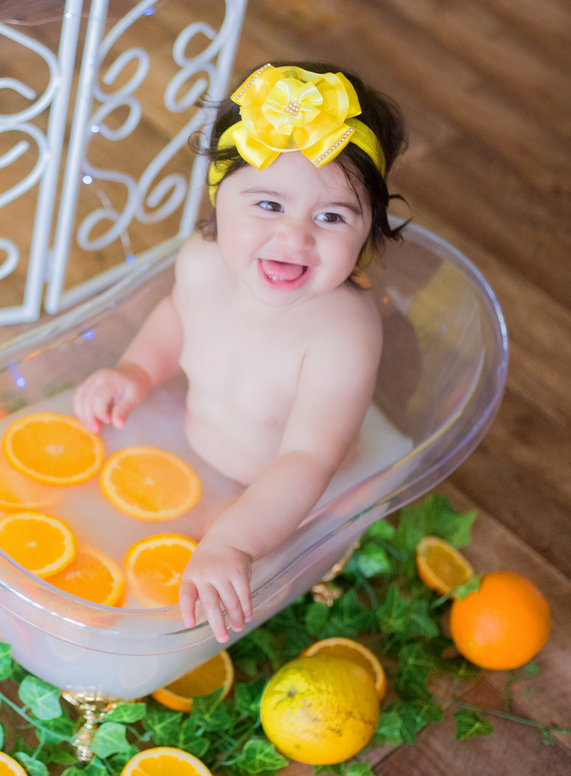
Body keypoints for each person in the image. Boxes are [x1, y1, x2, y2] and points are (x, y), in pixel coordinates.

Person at [72, 62, 408, 643]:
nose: (295, 236)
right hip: (196, 447)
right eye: (269, 205)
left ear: (368, 231)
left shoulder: (343, 333)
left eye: (331, 217)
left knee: (204, 585)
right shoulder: (202, 262)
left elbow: (306, 459)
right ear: (218, 198)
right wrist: (136, 369)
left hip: (289, 502)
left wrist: (234, 541)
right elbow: (177, 316)